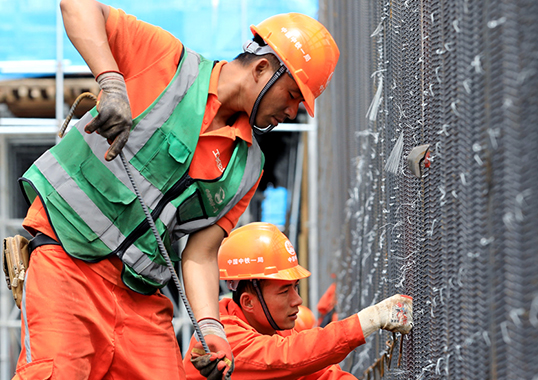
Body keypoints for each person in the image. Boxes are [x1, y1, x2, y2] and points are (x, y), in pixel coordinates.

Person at [12, 0, 340, 379]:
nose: (292, 111)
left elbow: (200, 254)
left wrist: (211, 328)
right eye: (294, 94)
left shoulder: (248, 167)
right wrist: (112, 82)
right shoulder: (167, 62)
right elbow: (77, 5)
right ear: (264, 68)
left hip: (139, 293)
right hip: (68, 260)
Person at [184, 222, 413, 380]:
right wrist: (369, 320)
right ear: (248, 302)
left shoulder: (275, 330)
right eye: (284, 291)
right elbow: (287, 357)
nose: (298, 300)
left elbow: (321, 374)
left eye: (296, 287)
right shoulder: (222, 339)